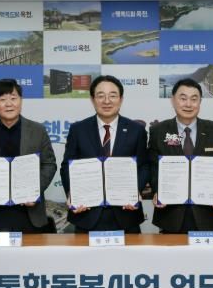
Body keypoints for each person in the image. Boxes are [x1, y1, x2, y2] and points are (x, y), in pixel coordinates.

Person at [60, 75, 148, 233]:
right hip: (86, 214)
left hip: (126, 214)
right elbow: (67, 166)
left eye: (112, 95)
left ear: (121, 99)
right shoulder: (78, 130)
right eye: (101, 96)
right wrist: (72, 194)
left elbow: (143, 166)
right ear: (92, 100)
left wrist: (135, 191)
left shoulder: (137, 130)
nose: (107, 101)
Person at [0, 79, 57, 233]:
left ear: (21, 100)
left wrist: (34, 190)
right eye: (2, 99)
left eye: (13, 98)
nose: (9, 104)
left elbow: (49, 164)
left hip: (29, 212)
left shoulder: (38, 131)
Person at [148, 78, 213, 233]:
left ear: (200, 102)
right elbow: (153, 167)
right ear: (173, 100)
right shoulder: (158, 131)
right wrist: (157, 191)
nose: (188, 104)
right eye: (183, 98)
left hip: (210, 213)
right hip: (171, 215)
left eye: (194, 99)